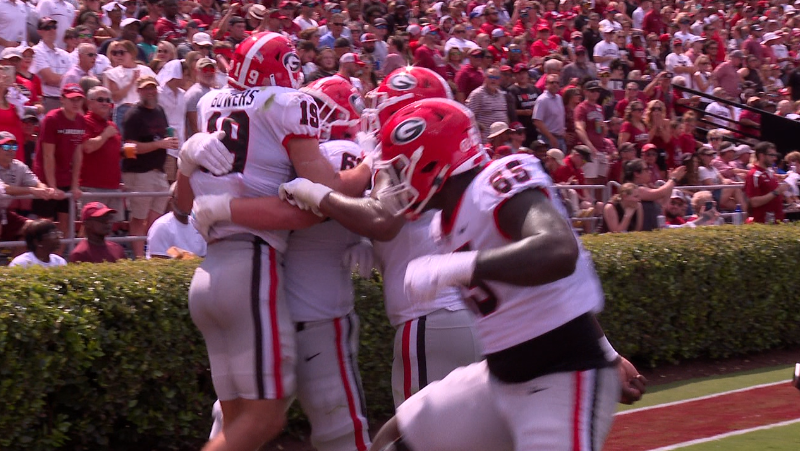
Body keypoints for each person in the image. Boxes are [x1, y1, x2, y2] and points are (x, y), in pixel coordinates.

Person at [277, 98, 646, 451]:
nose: (394, 182)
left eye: (400, 168)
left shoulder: (498, 179)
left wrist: (459, 267)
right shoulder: (445, 224)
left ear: (429, 163)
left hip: (563, 377)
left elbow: (559, 251)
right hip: (501, 375)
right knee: (395, 436)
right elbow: (554, 294)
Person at [175, 32, 372, 451]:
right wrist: (373, 167)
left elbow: (179, 205)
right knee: (266, 420)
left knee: (235, 422)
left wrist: (186, 166)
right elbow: (323, 196)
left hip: (208, 271)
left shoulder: (212, 104)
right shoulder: (288, 106)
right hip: (251, 268)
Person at [121, 76, 175, 259]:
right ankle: (138, 258)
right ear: (139, 91)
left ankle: (151, 254)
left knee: (156, 218)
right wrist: (160, 145)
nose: (151, 92)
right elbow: (130, 148)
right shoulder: (133, 115)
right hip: (139, 172)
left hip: (158, 171)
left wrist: (167, 143)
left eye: (153, 88)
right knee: (138, 217)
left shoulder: (159, 110)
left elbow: (162, 137)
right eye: (146, 89)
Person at [32, 83, 86, 237]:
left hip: (66, 177)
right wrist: (52, 186)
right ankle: (39, 259)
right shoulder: (51, 119)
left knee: (66, 222)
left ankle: (60, 258)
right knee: (45, 224)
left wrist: (75, 185)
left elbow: (77, 153)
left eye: (79, 99)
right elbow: (48, 154)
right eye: (71, 99)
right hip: (45, 177)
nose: (76, 103)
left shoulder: (81, 120)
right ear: (62, 99)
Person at [80, 86, 123, 219]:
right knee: (90, 227)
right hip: (92, 187)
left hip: (113, 186)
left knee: (109, 229)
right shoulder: (83, 122)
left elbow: (114, 153)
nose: (105, 103)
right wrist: (105, 134)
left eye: (107, 100)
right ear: (89, 103)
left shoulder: (112, 125)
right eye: (100, 99)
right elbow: (87, 147)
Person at [146, 183, 206, 259]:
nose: (186, 202)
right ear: (171, 200)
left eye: (189, 198)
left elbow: (205, 258)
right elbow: (158, 262)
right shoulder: (162, 226)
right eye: (181, 198)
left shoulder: (199, 226)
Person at [32, 17, 73, 113]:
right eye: (47, 28)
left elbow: (73, 79)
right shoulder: (36, 51)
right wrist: (66, 78)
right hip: (47, 99)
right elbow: (50, 79)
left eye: (54, 27)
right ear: (39, 31)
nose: (51, 30)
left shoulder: (64, 54)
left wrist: (59, 79)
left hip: (66, 99)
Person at [745, 141, 787, 223]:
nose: (775, 158)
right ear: (761, 156)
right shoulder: (754, 175)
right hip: (764, 223)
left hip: (777, 221)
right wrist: (776, 192)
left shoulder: (770, 172)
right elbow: (754, 202)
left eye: (775, 155)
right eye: (771, 155)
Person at [532, 73, 566, 151]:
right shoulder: (542, 99)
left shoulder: (559, 98)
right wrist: (551, 137)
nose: (555, 85)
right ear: (546, 84)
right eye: (552, 82)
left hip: (560, 139)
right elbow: (537, 121)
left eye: (557, 83)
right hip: (547, 139)